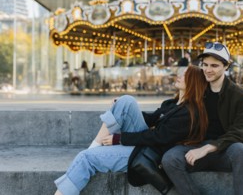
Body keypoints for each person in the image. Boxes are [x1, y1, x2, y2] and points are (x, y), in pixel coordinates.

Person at [54, 65, 208, 195]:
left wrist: (119, 139)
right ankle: (96, 144)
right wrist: (120, 108)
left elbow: (157, 137)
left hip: (146, 153)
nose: (179, 75)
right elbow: (151, 119)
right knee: (126, 101)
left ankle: (94, 148)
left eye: (185, 75)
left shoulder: (189, 113)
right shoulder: (170, 104)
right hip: (143, 144)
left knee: (86, 157)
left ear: (193, 82)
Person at [162, 42, 243, 195]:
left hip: (225, 150)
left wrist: (207, 148)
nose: (208, 70)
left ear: (226, 66)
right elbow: (174, 106)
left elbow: (241, 131)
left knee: (242, 150)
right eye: (205, 64)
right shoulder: (198, 87)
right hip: (195, 147)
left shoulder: (241, 96)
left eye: (214, 66)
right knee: (169, 158)